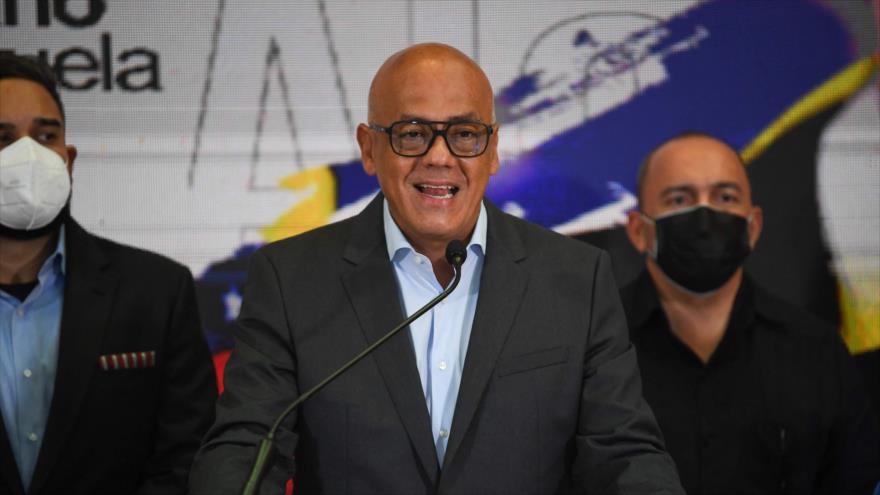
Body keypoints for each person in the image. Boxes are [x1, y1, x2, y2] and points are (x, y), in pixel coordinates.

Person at [189, 43, 683, 494]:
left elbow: (623, 453)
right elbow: (248, 446)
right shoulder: (289, 279)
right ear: (368, 148)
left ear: (492, 150)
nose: (440, 158)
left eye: (465, 134)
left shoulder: (578, 277)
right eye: (413, 134)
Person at [0, 54, 217, 494]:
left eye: (45, 136)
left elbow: (188, 459)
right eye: (3, 138)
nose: (28, 156)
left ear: (69, 158)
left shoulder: (157, 292)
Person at [621, 132, 880, 494]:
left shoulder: (816, 351)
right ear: (638, 230)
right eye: (679, 199)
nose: (705, 216)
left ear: (753, 227)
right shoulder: (595, 348)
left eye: (725, 197)